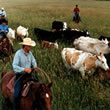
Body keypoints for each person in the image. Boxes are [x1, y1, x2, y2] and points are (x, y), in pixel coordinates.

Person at [12, 38, 38, 110]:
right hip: (20, 76)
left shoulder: (30, 54)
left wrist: (35, 66)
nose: (30, 47)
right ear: (25, 46)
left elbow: (33, 61)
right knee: (16, 94)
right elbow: (14, 66)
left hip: (29, 75)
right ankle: (16, 108)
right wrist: (24, 69)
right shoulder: (18, 54)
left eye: (30, 46)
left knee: (39, 87)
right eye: (29, 46)